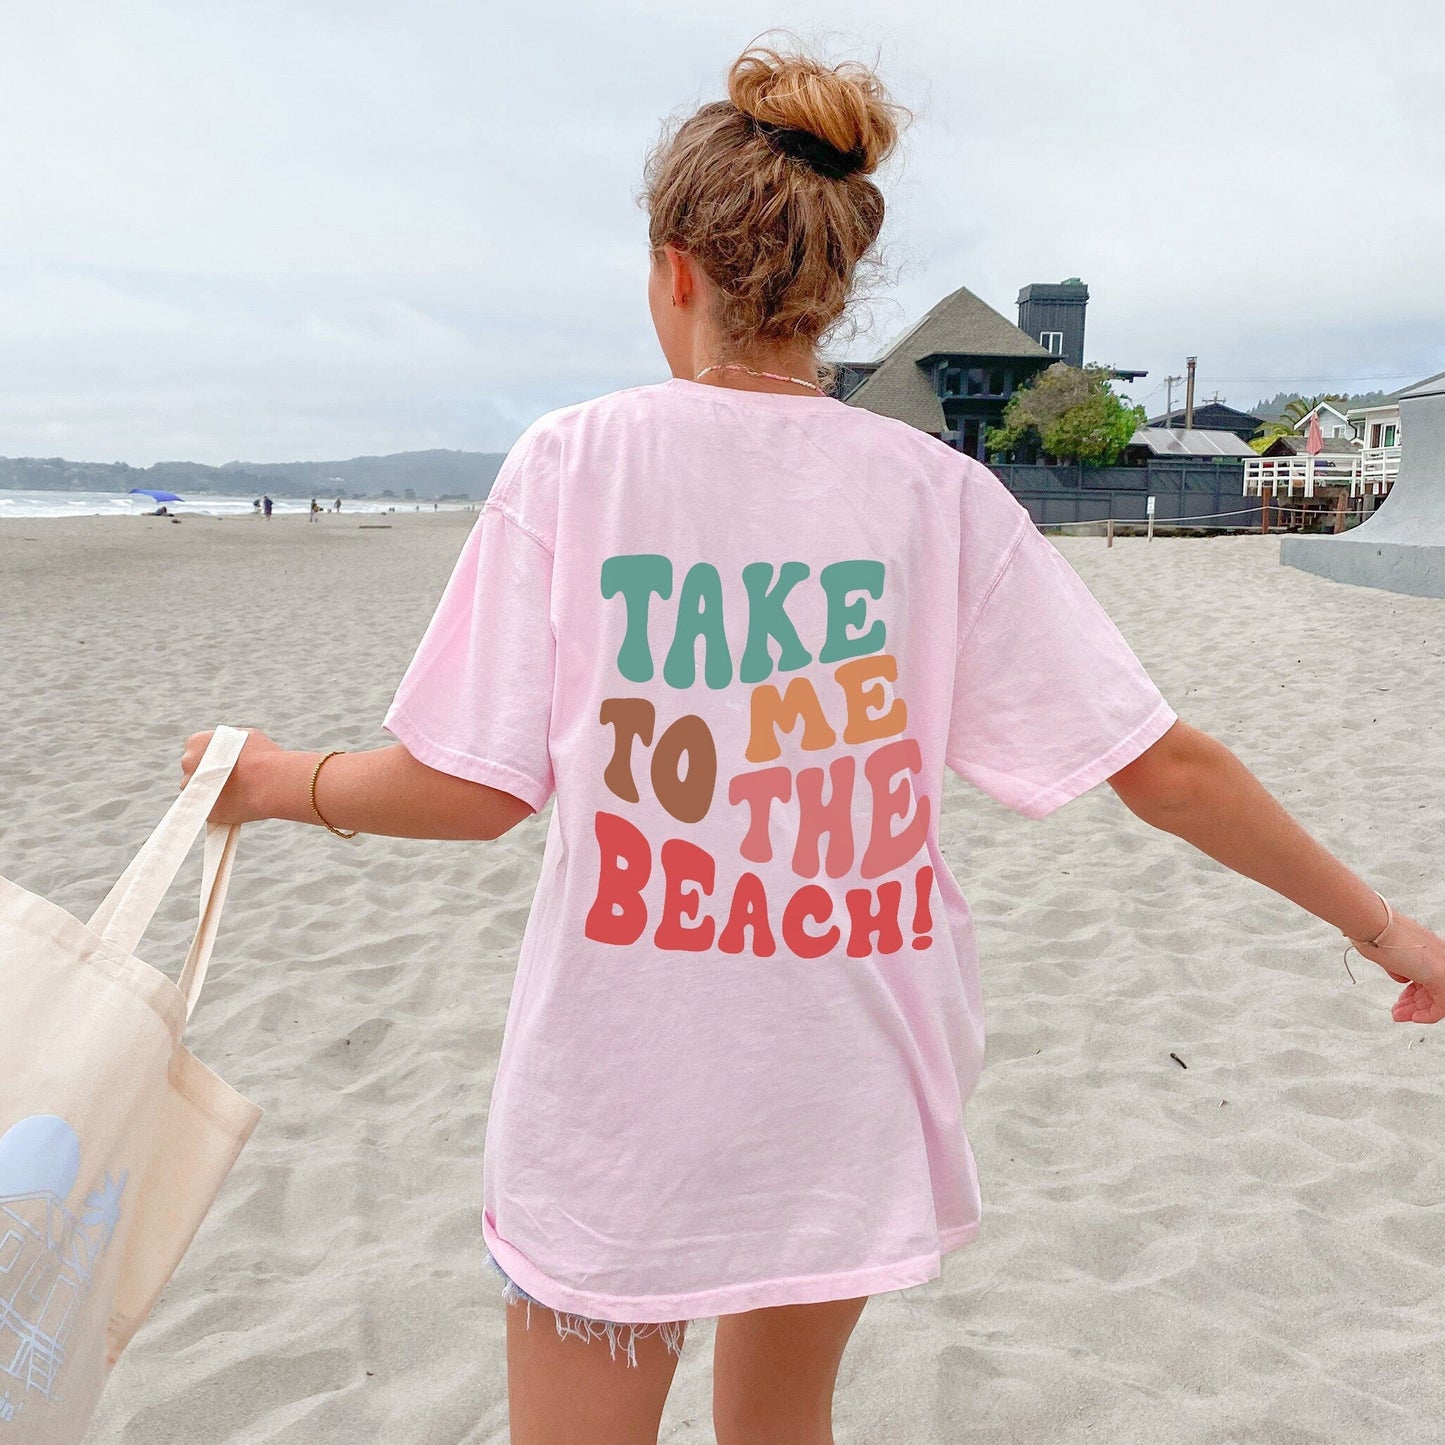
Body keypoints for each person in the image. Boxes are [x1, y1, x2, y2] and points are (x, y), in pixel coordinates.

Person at [180, 37, 1445, 1445]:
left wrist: (278, 781)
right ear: (832, 289)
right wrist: (1382, 924)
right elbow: (1162, 763)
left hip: (629, 1092)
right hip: (846, 1073)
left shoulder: (575, 461)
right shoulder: (937, 495)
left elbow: (473, 789)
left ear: (675, 268)